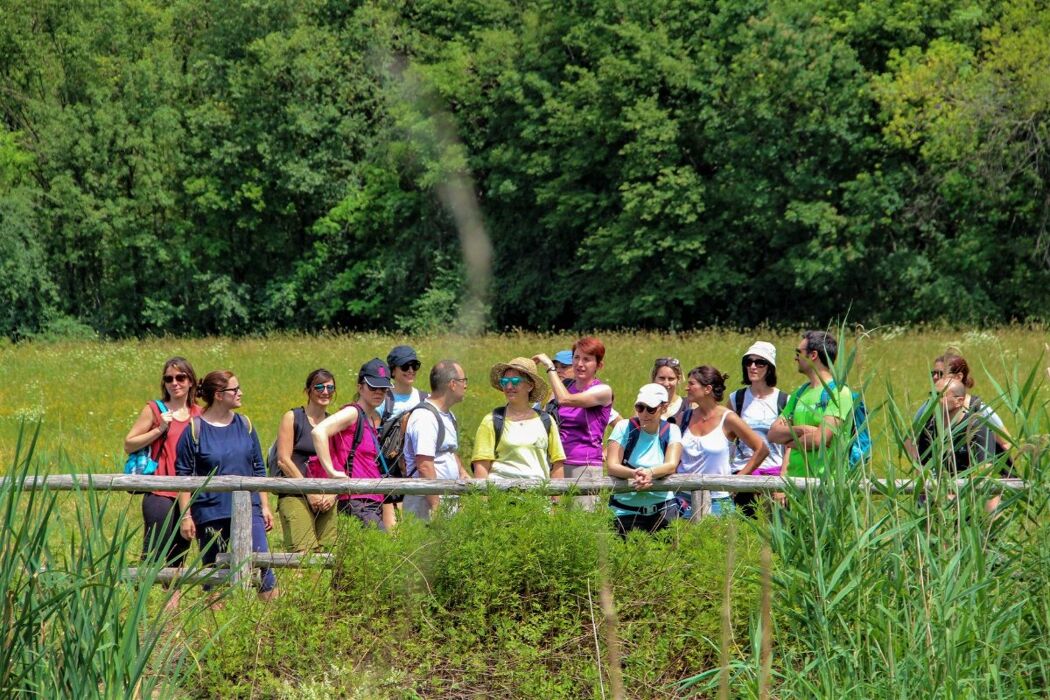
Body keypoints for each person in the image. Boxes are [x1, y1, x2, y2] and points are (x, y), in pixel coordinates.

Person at [175, 371, 277, 600]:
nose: (240, 393)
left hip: (250, 508)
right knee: (215, 575)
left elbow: (258, 468)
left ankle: (271, 628)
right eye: (235, 389)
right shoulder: (194, 429)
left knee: (264, 567)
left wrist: (264, 505)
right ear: (219, 395)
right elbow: (184, 476)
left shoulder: (245, 424)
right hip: (211, 511)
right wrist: (186, 516)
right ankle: (217, 632)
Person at [123, 357, 202, 609]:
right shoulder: (155, 410)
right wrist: (159, 429)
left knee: (179, 554)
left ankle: (171, 613)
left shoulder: (199, 414)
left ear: (191, 381)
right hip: (159, 489)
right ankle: (137, 607)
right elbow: (129, 443)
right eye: (169, 378)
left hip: (188, 493)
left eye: (180, 378)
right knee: (154, 551)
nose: (174, 383)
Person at [311, 359, 394, 529]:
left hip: (371, 500)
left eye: (383, 388)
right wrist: (332, 472)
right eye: (372, 387)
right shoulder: (352, 412)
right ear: (360, 387)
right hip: (357, 501)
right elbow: (318, 432)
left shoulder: (370, 419)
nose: (378, 392)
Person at [533, 337, 614, 510]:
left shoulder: (602, 391)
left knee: (582, 524)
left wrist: (550, 367)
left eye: (587, 359)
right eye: (576, 358)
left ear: (599, 365)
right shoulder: (565, 386)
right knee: (556, 523)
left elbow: (565, 399)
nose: (580, 364)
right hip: (557, 464)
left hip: (584, 466)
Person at [679, 366, 769, 518]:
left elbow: (762, 449)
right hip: (683, 500)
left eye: (692, 384)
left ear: (707, 389)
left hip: (718, 502)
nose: (686, 388)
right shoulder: (685, 417)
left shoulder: (728, 418)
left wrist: (737, 480)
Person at [768, 331, 854, 479]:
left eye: (798, 352)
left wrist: (789, 441)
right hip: (794, 482)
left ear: (813, 355)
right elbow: (773, 434)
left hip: (826, 486)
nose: (795, 357)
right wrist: (803, 429)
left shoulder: (839, 393)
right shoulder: (799, 394)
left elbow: (819, 439)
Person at [273, 369, 338, 551]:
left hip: (326, 497)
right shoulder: (293, 417)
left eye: (330, 388)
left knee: (330, 553)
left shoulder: (334, 422)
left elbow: (339, 462)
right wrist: (309, 492)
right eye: (319, 387)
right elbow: (283, 460)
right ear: (308, 390)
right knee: (303, 555)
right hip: (295, 494)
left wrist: (333, 495)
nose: (325, 392)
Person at [606, 384, 683, 535]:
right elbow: (612, 465)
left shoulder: (672, 430)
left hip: (663, 509)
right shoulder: (623, 427)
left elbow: (671, 465)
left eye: (651, 409)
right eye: (640, 407)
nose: (644, 414)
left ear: (664, 407)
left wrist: (650, 472)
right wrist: (635, 474)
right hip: (624, 511)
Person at [472, 357, 566, 480]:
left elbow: (557, 464)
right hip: (500, 496)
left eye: (515, 381)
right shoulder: (492, 420)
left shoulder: (546, 421)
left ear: (530, 386)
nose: (509, 386)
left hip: (537, 496)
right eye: (505, 381)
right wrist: (483, 499)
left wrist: (556, 498)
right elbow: (481, 466)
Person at [916, 378, 1002, 512]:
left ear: (959, 401)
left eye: (939, 395)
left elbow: (984, 471)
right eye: (931, 394)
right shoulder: (929, 429)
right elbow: (921, 470)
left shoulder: (976, 428)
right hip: (938, 495)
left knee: (991, 500)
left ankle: (989, 531)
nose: (932, 400)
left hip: (971, 495)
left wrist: (956, 497)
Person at [402, 360, 470, 521]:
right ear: (453, 384)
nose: (466, 386)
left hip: (447, 500)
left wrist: (463, 474)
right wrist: (436, 508)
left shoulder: (448, 415)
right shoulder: (425, 417)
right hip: (425, 504)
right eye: (463, 381)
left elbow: (449, 451)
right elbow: (424, 464)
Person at [726, 342, 787, 515]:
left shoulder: (783, 400)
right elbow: (726, 438)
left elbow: (789, 446)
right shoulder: (736, 398)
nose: (753, 366)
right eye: (749, 361)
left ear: (770, 368)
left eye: (760, 362)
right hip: (742, 471)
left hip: (773, 472)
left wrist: (783, 481)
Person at [382, 345, 428, 420]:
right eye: (405, 366)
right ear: (393, 371)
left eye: (414, 366)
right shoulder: (382, 400)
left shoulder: (425, 399)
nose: (411, 370)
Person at [651, 357, 692, 425]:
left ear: (678, 380)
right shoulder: (644, 405)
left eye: (671, 379)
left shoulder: (689, 405)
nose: (666, 383)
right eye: (662, 378)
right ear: (654, 379)